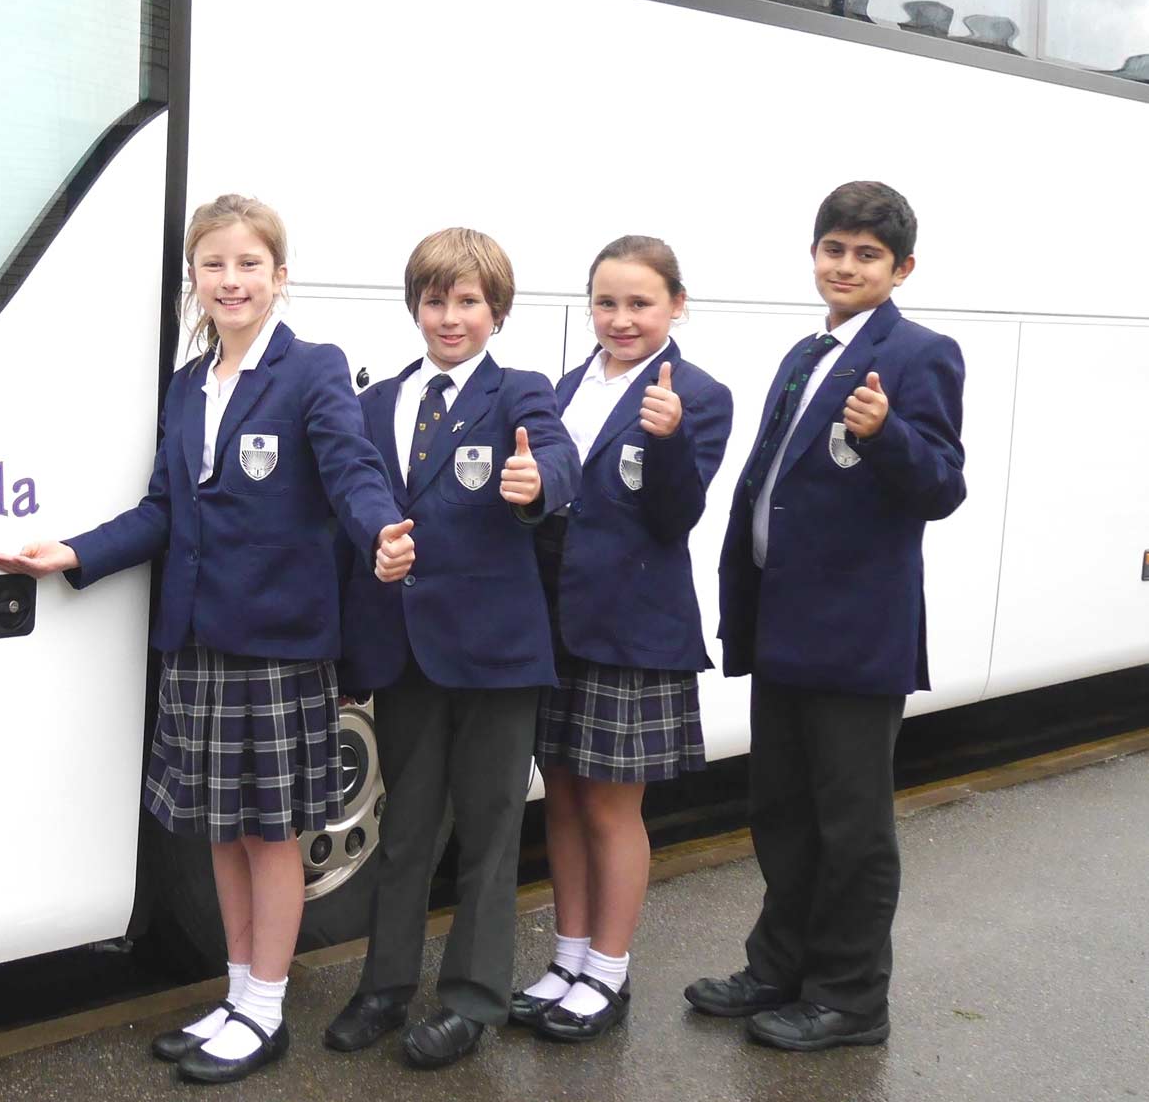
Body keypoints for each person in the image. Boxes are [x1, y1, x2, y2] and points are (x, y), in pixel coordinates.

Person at [0, 194, 415, 1086]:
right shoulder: (190, 385)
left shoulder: (312, 370)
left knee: (270, 837)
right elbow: (163, 509)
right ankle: (236, 992)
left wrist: (383, 531)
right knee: (220, 833)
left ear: (280, 276)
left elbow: (352, 469)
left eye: (249, 264)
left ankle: (266, 1010)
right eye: (215, 264)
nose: (232, 280)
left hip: (279, 646)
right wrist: (74, 552)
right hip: (198, 641)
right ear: (195, 278)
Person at [686, 182, 966, 1050]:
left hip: (855, 632)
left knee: (852, 827)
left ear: (901, 268)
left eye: (867, 255)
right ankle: (780, 967)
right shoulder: (805, 353)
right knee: (783, 810)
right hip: (784, 624)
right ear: (815, 254)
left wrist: (887, 433)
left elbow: (943, 485)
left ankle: (850, 999)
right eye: (834, 249)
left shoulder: (922, 353)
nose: (845, 266)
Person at [324, 227, 577, 1070]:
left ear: (495, 311)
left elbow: (561, 460)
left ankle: (472, 999)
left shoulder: (521, 394)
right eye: (435, 300)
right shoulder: (375, 403)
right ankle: (385, 987)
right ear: (415, 307)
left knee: (491, 829)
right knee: (407, 830)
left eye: (468, 301)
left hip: (497, 657)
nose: (449, 316)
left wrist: (538, 484)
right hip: (405, 654)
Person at [510, 236, 732, 1041]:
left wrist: (670, 440)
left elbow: (678, 518)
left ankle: (609, 971)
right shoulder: (566, 387)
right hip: (557, 625)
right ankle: (567, 958)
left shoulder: (698, 395)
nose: (621, 318)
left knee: (611, 809)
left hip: (631, 632)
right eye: (607, 302)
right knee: (562, 798)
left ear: (676, 305)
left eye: (640, 303)